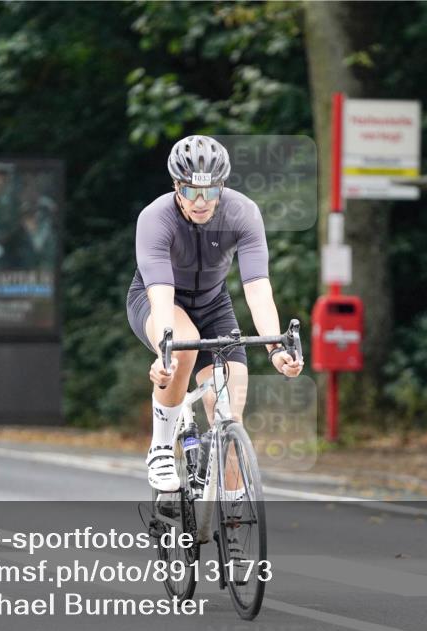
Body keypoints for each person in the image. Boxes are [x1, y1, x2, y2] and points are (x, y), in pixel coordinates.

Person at [126, 136, 303, 493]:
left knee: (229, 420)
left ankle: (234, 529)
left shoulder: (242, 212)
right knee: (184, 347)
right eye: (192, 192)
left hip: (214, 305)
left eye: (211, 192)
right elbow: (161, 297)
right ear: (177, 187)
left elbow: (257, 289)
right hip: (160, 302)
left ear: (222, 186)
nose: (202, 202)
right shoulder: (155, 219)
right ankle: (161, 447)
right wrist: (165, 350)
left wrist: (276, 350)